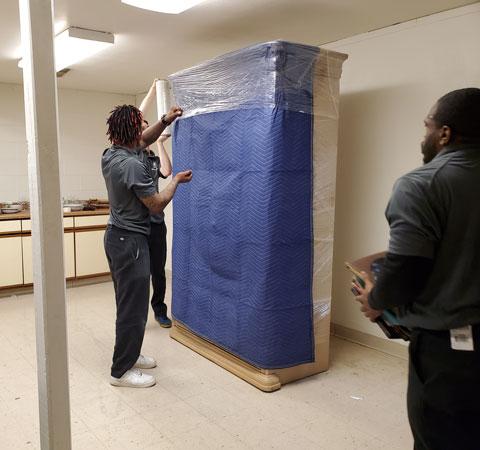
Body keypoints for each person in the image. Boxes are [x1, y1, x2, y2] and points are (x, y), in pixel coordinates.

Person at [352, 87, 480, 450]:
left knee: (440, 437)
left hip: (451, 354)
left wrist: (375, 298)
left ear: (445, 133)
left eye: (427, 126)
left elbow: (406, 272)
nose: (423, 136)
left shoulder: (422, 185)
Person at [102, 104, 192, 388]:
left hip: (118, 237)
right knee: (133, 307)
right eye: (140, 124)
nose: (144, 129)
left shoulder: (112, 153)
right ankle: (121, 371)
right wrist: (175, 181)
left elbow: (146, 140)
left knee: (129, 303)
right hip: (130, 242)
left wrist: (166, 119)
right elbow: (155, 206)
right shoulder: (131, 164)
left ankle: (131, 353)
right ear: (131, 131)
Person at [138, 79, 174, 328]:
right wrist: (152, 90)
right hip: (137, 227)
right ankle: (137, 315)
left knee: (158, 272)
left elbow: (167, 170)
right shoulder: (131, 153)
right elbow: (137, 115)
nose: (146, 130)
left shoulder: (150, 156)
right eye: (142, 127)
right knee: (139, 274)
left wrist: (161, 143)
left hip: (156, 224)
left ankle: (159, 310)